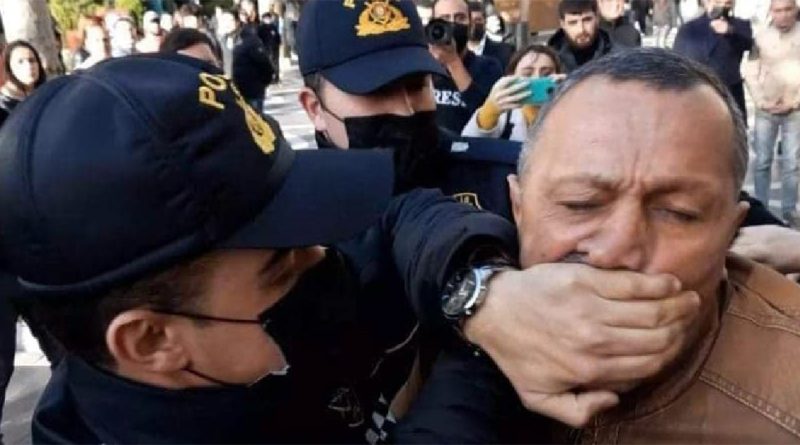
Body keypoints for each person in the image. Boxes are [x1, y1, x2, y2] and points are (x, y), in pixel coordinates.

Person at [0, 52, 528, 443]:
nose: (320, 254)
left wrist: (481, 286)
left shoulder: (241, 322)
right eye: (280, 265)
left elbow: (392, 218)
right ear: (151, 340)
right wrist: (488, 351)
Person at [395, 48, 800, 443]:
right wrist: (478, 301)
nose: (615, 250)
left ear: (731, 230)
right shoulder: (437, 323)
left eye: (678, 213)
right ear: (518, 207)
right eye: (580, 204)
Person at [744, 0, 800, 226]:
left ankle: (789, 210)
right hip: (766, 109)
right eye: (778, 10)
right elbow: (750, 70)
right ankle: (762, 209)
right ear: (771, 12)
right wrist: (760, 100)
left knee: (791, 163)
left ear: (795, 10)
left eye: (788, 10)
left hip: (795, 110)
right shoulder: (761, 37)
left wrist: (794, 102)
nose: (783, 15)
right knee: (762, 162)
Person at [429, 0, 503, 137]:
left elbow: (486, 116)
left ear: (470, 25)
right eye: (445, 18)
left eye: (460, 18)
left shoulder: (488, 67)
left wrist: (453, 62)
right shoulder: (423, 67)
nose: (452, 24)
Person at [462, 45, 564, 142]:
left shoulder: (567, 110)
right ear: (511, 77)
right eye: (527, 74)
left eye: (546, 74)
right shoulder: (504, 115)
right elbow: (468, 144)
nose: (537, 78)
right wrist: (489, 111)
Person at [673, 0, 753, 121]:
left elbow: (747, 44)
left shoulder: (740, 26)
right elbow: (677, 60)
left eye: (726, 2)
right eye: (717, 1)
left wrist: (729, 31)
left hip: (729, 93)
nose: (721, 5)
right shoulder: (689, 28)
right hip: (697, 93)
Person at [548, 0, 616, 73]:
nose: (581, 29)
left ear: (597, 18)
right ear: (562, 24)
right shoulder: (551, 59)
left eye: (587, 20)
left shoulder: (617, 55)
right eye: (573, 23)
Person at [0, 40, 46, 125]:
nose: (29, 66)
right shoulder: (3, 106)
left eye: (32, 60)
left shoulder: (47, 93)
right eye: (20, 62)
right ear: (9, 68)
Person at [467, 3, 515, 70]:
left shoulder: (505, 51)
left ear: (485, 21)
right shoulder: (456, 52)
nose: (473, 25)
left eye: (477, 20)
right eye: (469, 20)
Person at [261, 12, 282, 83]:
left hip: (274, 47)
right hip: (266, 48)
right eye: (266, 18)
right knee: (269, 62)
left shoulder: (273, 27)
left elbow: (277, 37)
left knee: (275, 62)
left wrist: (278, 44)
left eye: (268, 18)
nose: (267, 20)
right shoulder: (261, 28)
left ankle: (276, 77)